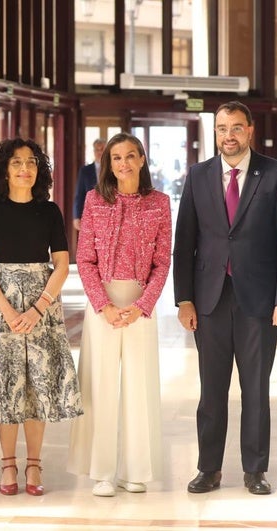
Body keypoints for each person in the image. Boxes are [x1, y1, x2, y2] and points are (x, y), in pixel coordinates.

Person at [172, 101, 277, 496]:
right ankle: (208, 468)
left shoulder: (276, 174)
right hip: (209, 301)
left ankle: (255, 470)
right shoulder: (198, 175)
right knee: (211, 392)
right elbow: (184, 241)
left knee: (256, 390)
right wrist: (184, 299)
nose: (229, 136)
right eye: (222, 128)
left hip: (258, 301)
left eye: (236, 128)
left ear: (250, 131)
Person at [0, 138, 82, 497]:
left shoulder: (49, 211)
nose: (25, 169)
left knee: (37, 387)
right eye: (16, 163)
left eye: (31, 163)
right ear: (4, 169)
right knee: (6, 387)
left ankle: (34, 463)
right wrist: (9, 311)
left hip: (40, 305)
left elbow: (61, 264)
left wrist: (38, 307)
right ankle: (8, 464)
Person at [67, 132, 170, 497]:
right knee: (101, 384)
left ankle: (136, 470)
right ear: (108, 164)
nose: (123, 164)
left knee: (139, 386)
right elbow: (84, 258)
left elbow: (163, 261)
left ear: (142, 159)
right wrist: (103, 305)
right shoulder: (94, 201)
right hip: (103, 304)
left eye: (130, 156)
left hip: (141, 304)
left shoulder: (160, 203)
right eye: (116, 158)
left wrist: (143, 306)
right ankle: (102, 471)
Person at [72, 138, 105, 231]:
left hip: (109, 213)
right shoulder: (85, 171)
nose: (99, 152)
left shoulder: (113, 169)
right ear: (94, 151)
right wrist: (76, 216)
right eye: (97, 150)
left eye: (102, 149)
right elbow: (79, 195)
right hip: (90, 214)